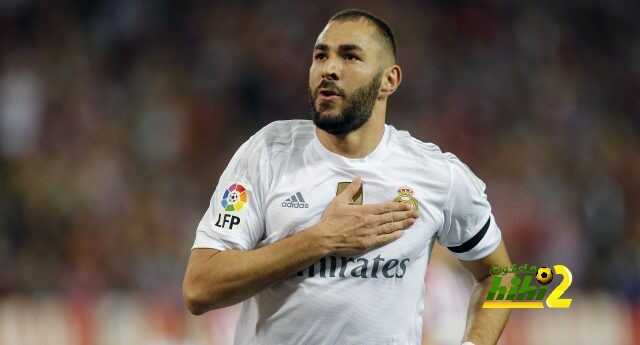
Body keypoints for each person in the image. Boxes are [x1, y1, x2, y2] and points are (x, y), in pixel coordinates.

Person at [183, 9, 512, 345]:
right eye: (320, 56)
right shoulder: (267, 154)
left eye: (350, 56)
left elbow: (502, 276)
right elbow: (199, 288)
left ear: (390, 80)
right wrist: (320, 240)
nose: (329, 69)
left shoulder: (437, 176)